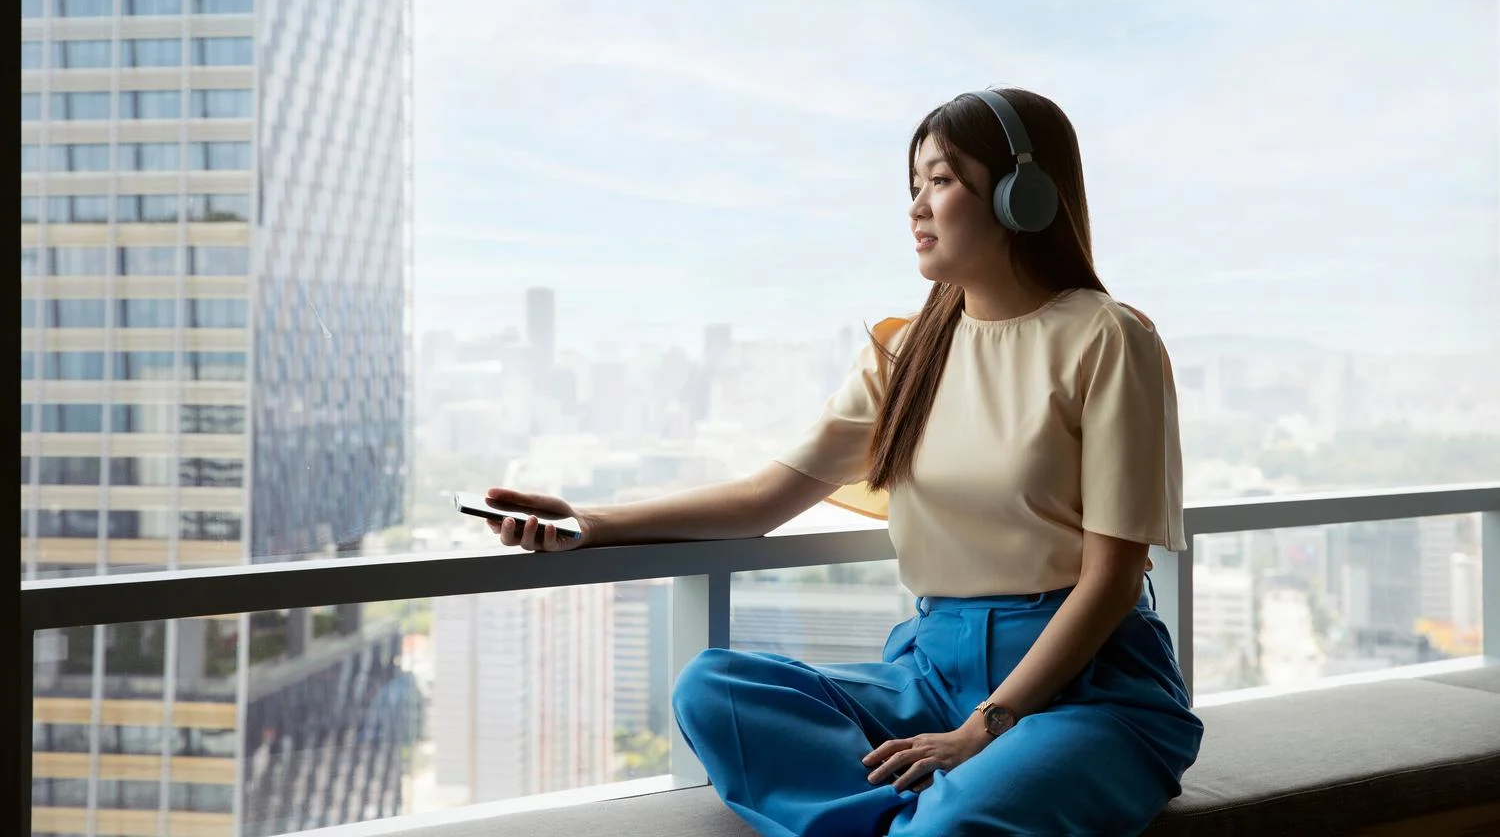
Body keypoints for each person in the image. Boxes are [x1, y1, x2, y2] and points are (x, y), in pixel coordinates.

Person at [485, 86, 1203, 836]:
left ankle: (925, 817)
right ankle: (906, 820)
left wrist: (981, 729)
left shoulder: (1109, 339)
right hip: (932, 674)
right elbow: (762, 501)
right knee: (712, 687)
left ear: (1021, 195)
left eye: (941, 180)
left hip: (1085, 690)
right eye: (914, 185)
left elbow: (1113, 579)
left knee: (946, 826)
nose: (916, 208)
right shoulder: (906, 351)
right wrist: (590, 523)